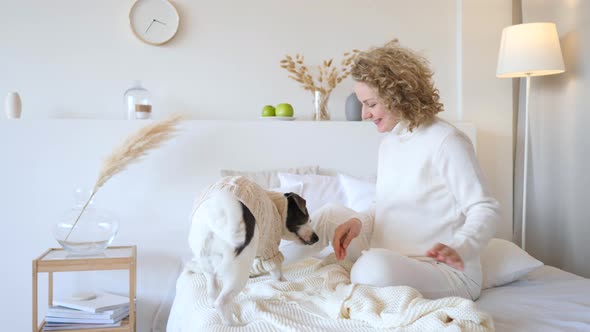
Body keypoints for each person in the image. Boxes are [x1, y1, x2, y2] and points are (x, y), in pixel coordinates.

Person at [310, 40, 500, 301]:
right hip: (391, 256)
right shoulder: (390, 142)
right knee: (331, 215)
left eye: (371, 104)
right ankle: (262, 266)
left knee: (370, 269)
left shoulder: (447, 141)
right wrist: (358, 223)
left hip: (443, 270)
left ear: (396, 95)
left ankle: (370, 271)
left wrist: (461, 246)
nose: (364, 114)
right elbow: (385, 205)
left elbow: (484, 207)